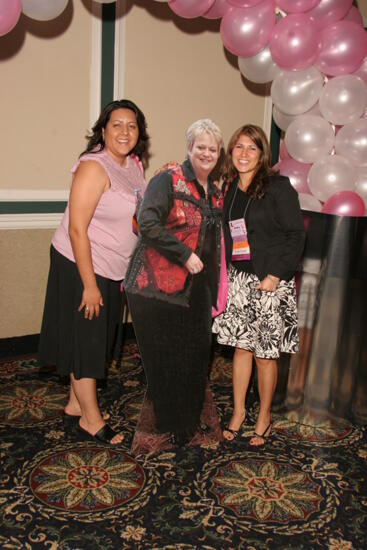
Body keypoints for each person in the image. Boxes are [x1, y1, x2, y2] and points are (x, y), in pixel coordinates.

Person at [38, 99, 148, 445]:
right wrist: (89, 285)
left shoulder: (134, 165)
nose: (124, 131)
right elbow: (76, 230)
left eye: (131, 125)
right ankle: (91, 419)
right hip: (80, 264)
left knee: (91, 337)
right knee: (87, 340)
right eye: (116, 124)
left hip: (113, 268)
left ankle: (75, 403)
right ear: (103, 130)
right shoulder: (93, 168)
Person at [124, 119, 224, 449]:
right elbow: (148, 223)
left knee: (195, 355)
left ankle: (188, 422)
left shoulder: (216, 190)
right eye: (201, 147)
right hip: (158, 288)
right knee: (167, 358)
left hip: (198, 288)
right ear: (189, 148)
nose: (206, 153)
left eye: (213, 148)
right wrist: (183, 254)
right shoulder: (168, 178)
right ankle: (171, 426)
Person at [212, 124, 305, 446]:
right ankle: (238, 412)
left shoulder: (279, 187)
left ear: (262, 154)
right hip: (239, 280)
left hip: (270, 281)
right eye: (238, 147)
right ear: (231, 152)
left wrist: (276, 275)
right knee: (241, 350)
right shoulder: (230, 189)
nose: (244, 154)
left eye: (252, 148)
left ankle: (263, 416)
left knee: (266, 355)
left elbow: (296, 235)